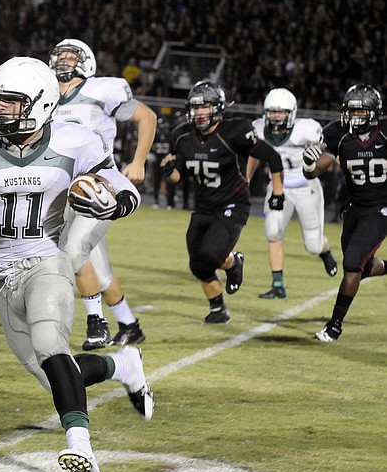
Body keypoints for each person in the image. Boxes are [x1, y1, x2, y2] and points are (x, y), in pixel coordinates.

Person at [0, 57, 153, 472]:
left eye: (10, 102)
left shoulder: (75, 142)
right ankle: (123, 365)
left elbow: (124, 187)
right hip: (0, 275)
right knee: (54, 376)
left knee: (49, 343)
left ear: (41, 104)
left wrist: (113, 204)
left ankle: (81, 447)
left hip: (47, 260)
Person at [48, 38, 157, 348]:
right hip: (62, 190)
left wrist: (138, 161)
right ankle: (130, 325)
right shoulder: (47, 95)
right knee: (96, 266)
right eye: (60, 56)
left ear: (86, 62)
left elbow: (147, 117)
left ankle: (97, 324)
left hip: (98, 185)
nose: (64, 61)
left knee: (74, 250)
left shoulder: (100, 90)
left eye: (71, 57)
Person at [162, 81, 284, 324]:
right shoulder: (182, 136)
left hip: (233, 203)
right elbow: (178, 177)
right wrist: (169, 171)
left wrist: (278, 193)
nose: (199, 113)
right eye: (196, 108)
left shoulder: (235, 131)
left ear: (217, 107)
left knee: (210, 255)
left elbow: (272, 156)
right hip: (203, 205)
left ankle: (232, 262)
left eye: (204, 107)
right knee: (197, 264)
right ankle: (218, 308)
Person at [302, 84, 387, 342]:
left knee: (352, 263)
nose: (355, 117)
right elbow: (316, 170)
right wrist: (309, 164)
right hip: (353, 208)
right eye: (352, 111)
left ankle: (334, 326)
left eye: (361, 112)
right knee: (360, 265)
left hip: (381, 208)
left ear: (374, 113)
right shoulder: (338, 132)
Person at [247, 88, 337, 299]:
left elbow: (330, 151)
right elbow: (253, 155)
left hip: (306, 187)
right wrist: (246, 180)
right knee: (272, 231)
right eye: (272, 112)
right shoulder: (258, 129)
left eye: (281, 112)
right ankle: (277, 285)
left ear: (292, 113)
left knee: (313, 245)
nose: (276, 116)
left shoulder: (307, 129)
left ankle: (325, 250)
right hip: (279, 186)